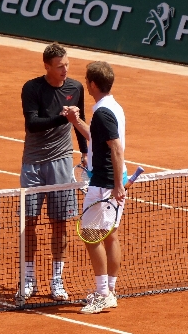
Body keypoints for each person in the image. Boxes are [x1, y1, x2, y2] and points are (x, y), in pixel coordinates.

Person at [19, 42, 88, 301]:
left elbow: (79, 124)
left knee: (60, 225)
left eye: (67, 65)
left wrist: (84, 152)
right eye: (60, 66)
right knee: (29, 223)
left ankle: (56, 280)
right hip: (33, 164)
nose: (65, 70)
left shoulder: (75, 88)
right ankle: (28, 278)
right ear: (47, 66)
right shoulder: (32, 88)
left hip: (61, 163)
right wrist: (64, 118)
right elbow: (32, 123)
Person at [64, 61, 127, 314]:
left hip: (104, 184)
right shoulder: (112, 107)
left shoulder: (103, 112)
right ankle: (110, 290)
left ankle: (102, 294)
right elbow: (97, 138)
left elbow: (115, 147)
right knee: (110, 235)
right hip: (112, 180)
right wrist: (75, 121)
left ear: (92, 84)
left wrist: (115, 186)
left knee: (91, 236)